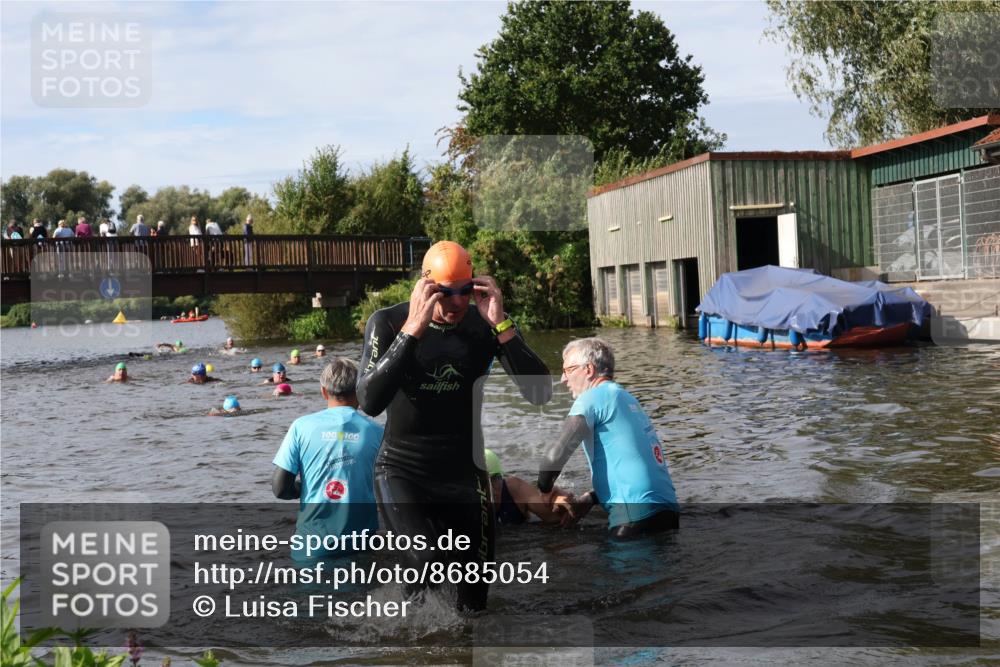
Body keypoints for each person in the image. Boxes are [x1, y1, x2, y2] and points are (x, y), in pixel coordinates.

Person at [357, 240, 552, 612]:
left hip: (466, 473)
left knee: (475, 600)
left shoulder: (486, 323)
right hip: (403, 469)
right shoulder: (388, 321)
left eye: (465, 291)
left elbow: (540, 394)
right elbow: (368, 400)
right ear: (425, 286)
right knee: (427, 561)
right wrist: (411, 331)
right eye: (445, 294)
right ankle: (409, 637)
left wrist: (502, 325)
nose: (458, 303)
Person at [537, 338, 679, 540]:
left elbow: (554, 456)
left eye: (568, 370)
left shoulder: (591, 398)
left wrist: (545, 491)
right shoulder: (627, 399)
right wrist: (592, 498)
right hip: (668, 510)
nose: (563, 379)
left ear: (588, 370)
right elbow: (631, 463)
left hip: (634, 515)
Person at [271, 358, 383, 560]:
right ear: (360, 391)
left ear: (323, 391)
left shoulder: (301, 427)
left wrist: (300, 488)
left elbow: (280, 489)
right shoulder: (377, 432)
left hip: (312, 549)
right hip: (361, 547)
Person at [484, 449, 575, 526]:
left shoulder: (516, 489)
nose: (492, 490)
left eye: (495, 479)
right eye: (484, 483)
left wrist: (557, 501)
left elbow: (557, 517)